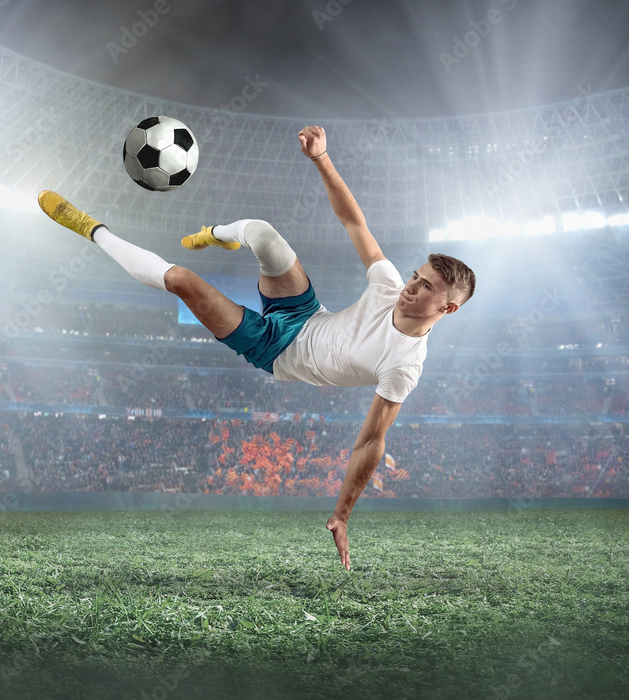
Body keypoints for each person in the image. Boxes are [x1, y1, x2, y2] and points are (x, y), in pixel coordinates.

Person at [38, 125, 475, 570]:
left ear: (449, 308)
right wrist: (321, 158)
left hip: (275, 351)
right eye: (416, 276)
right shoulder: (389, 286)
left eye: (426, 288)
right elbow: (353, 221)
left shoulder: (404, 365)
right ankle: (216, 233)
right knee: (262, 232)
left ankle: (91, 228)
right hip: (305, 311)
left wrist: (342, 512)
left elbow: (371, 442)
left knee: (184, 280)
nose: (411, 287)